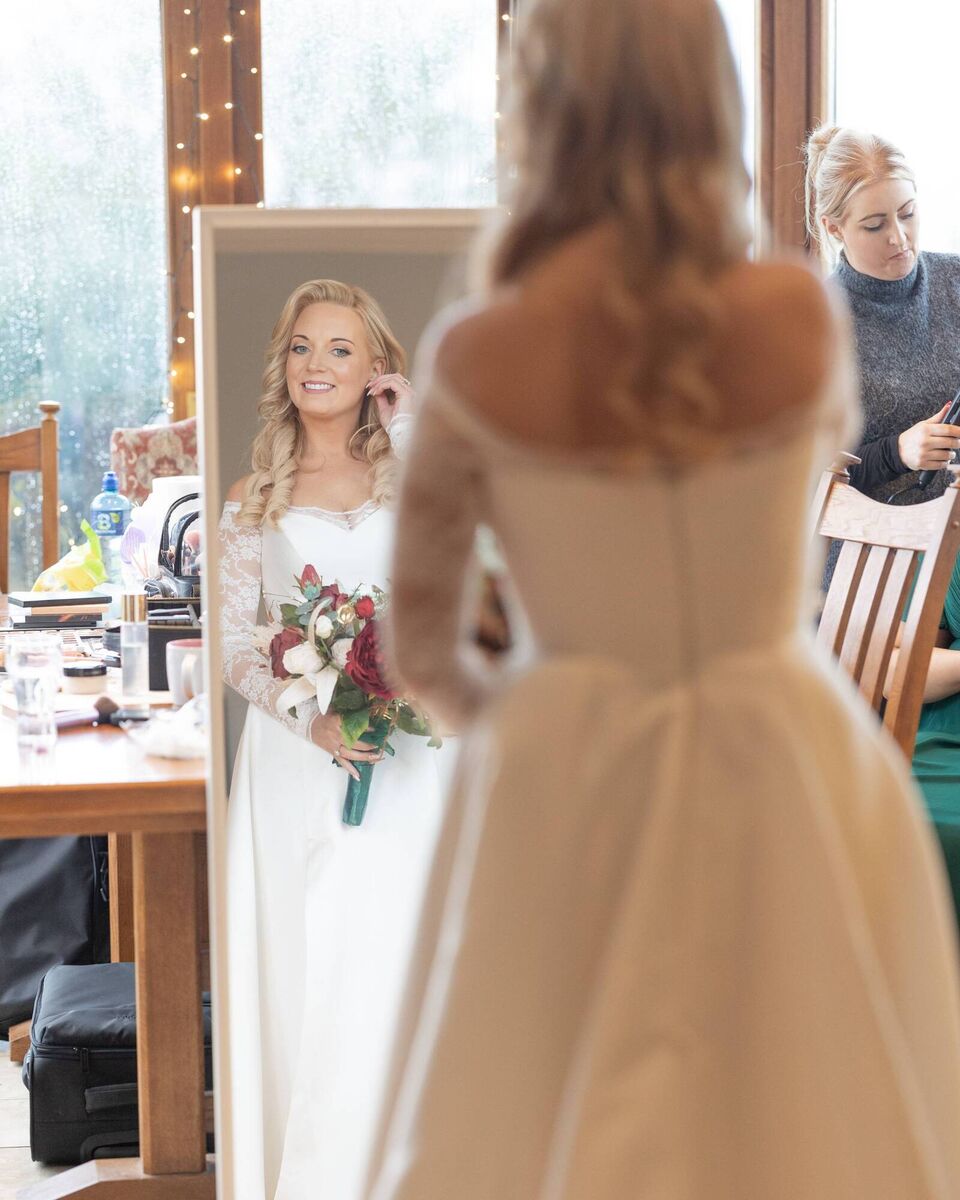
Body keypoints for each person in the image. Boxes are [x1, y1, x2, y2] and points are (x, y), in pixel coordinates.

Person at [363, 1, 960, 1197]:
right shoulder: (793, 316)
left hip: (568, 758)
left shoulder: (480, 350)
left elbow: (419, 646)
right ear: (711, 100)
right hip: (784, 740)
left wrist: (539, 731)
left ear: (540, 108)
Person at [217, 279, 450, 1200]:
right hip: (297, 761)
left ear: (374, 369)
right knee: (314, 974)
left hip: (408, 761)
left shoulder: (412, 477)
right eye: (302, 347)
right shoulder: (253, 498)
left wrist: (412, 429)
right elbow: (234, 644)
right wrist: (307, 717)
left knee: (398, 966)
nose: (317, 364)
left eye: (340, 349)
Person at [804, 126, 960, 507]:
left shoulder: (954, 280)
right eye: (875, 225)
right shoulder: (817, 322)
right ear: (833, 227)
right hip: (874, 539)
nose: (899, 237)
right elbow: (807, 476)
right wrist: (898, 452)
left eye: (907, 214)